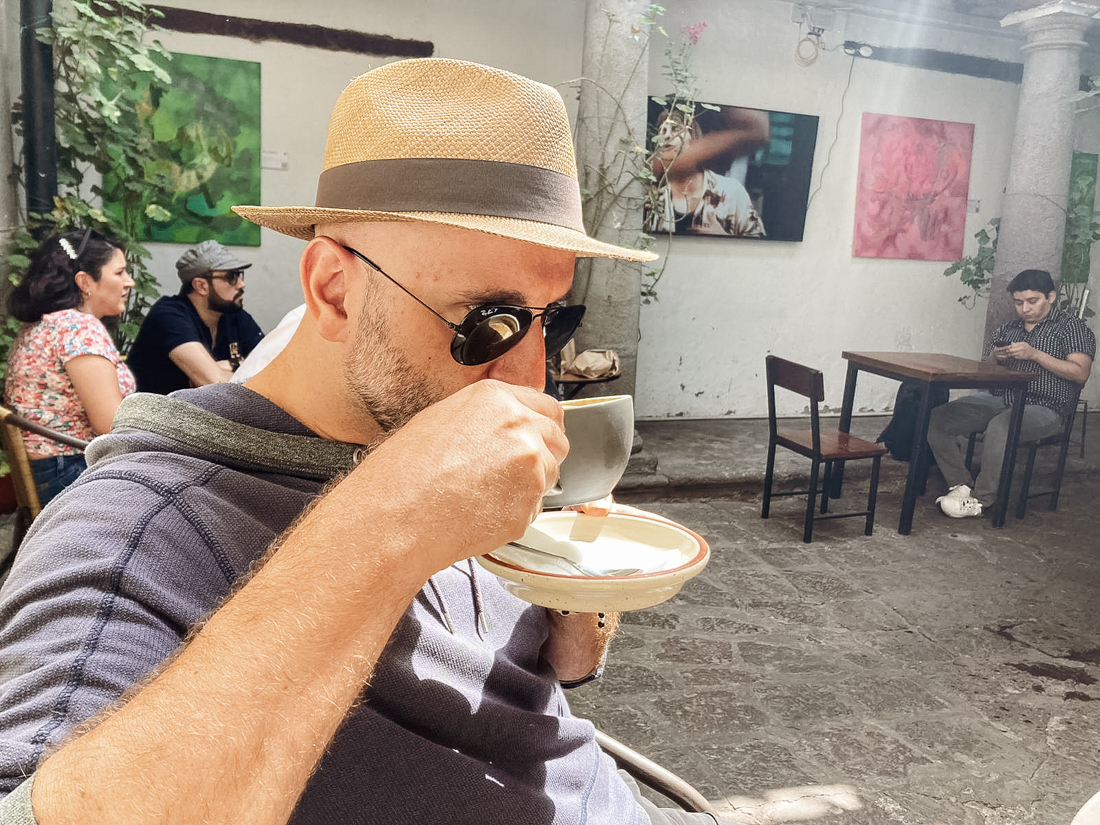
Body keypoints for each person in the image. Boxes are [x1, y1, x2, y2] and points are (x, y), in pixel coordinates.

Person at [0, 59, 762, 825]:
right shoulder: (136, 529)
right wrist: (392, 516)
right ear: (334, 290)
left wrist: (578, 586)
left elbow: (565, 667)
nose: (530, 375)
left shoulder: (435, 421)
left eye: (551, 318)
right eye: (488, 320)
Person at [929, 268, 1094, 518]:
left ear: (1051, 297)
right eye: (1018, 302)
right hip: (1000, 398)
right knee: (938, 418)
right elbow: (985, 370)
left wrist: (1035, 354)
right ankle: (960, 486)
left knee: (1002, 426)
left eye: (1032, 301)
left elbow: (1080, 373)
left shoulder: (1071, 328)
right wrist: (995, 358)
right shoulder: (1009, 329)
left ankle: (981, 501)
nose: (1024, 309)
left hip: (1046, 407)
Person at [3, 229, 136, 504]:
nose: (129, 282)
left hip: (49, 472)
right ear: (85, 281)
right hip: (71, 471)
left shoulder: (46, 324)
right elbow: (111, 424)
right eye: (119, 272)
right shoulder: (78, 328)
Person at [126, 240, 264, 393]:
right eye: (231, 277)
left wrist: (232, 364)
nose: (241, 284)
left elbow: (272, 371)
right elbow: (215, 384)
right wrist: (239, 366)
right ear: (201, 286)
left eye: (239, 275)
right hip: (157, 408)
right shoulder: (169, 316)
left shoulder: (235, 316)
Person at [644, 106, 768, 238]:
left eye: (676, 129)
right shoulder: (654, 200)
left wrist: (723, 237)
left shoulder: (732, 192)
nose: (666, 136)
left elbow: (759, 242)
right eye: (662, 131)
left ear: (695, 139)